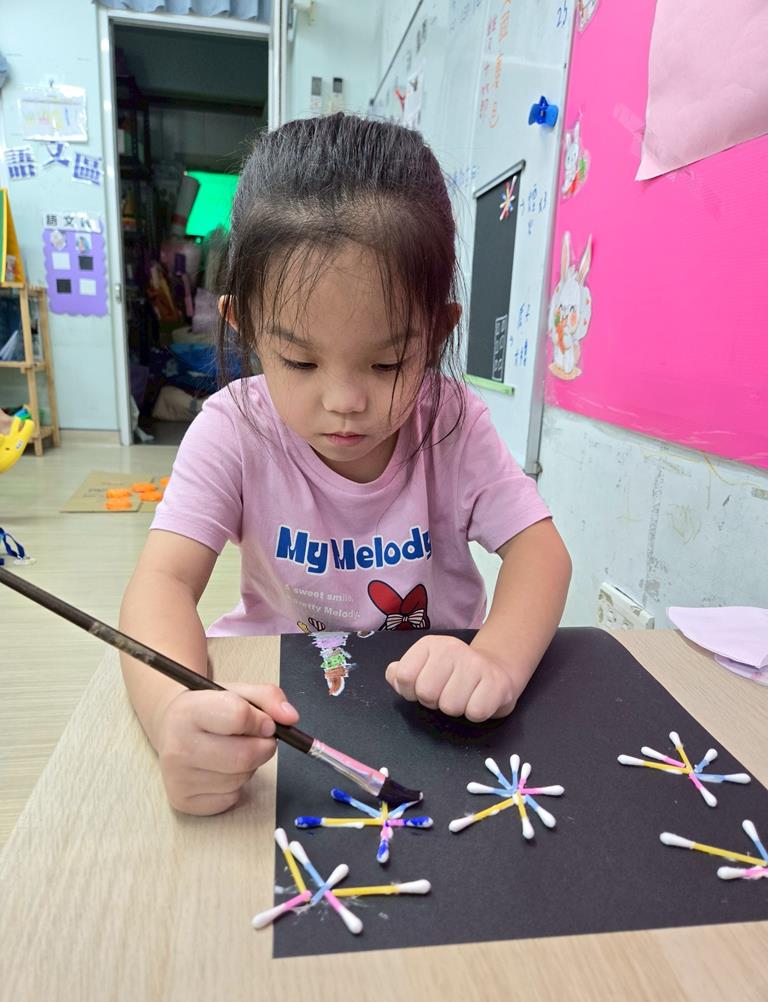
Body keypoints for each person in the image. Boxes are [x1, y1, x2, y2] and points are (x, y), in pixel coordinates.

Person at [120, 114, 572, 816]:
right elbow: (162, 583)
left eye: (388, 363)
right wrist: (174, 711)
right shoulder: (233, 428)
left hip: (431, 706)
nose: (344, 402)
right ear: (245, 326)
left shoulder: (450, 423)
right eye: (300, 362)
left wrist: (494, 660)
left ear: (437, 333)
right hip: (282, 701)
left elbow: (541, 555)